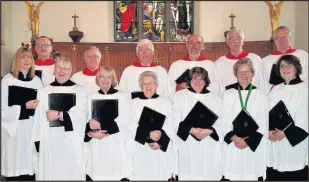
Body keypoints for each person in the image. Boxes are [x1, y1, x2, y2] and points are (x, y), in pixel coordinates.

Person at [30, 57, 87, 180]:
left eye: (66, 68)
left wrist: (58, 114)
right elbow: (39, 117)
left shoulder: (79, 90)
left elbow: (81, 115)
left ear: (70, 71)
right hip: (49, 139)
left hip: (71, 139)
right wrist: (37, 140)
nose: (62, 71)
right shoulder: (44, 91)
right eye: (59, 67)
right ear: (54, 70)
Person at [172, 67, 224, 180]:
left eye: (201, 78)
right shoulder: (179, 96)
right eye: (195, 78)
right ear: (189, 80)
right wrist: (191, 130)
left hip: (208, 143)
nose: (198, 81)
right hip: (187, 143)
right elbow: (174, 119)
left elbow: (222, 121)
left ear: (206, 81)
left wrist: (209, 131)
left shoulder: (215, 98)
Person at [221, 58, 268, 180]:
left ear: (252, 74)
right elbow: (224, 120)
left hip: (253, 145)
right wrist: (234, 138)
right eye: (240, 71)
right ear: (235, 74)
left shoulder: (260, 94)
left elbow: (264, 121)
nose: (244, 74)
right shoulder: (228, 94)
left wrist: (248, 141)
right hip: (234, 144)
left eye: (247, 71)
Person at [1, 46, 43, 180]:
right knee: (15, 166)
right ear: (16, 60)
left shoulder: (37, 81)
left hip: (31, 127)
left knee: (30, 167)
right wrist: (24, 106)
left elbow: (41, 107)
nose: (26, 60)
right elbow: (3, 110)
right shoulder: (8, 79)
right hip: (14, 129)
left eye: (29, 57)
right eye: (22, 57)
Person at [84, 66, 132, 181]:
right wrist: (90, 133)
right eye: (102, 76)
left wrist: (101, 127)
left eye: (109, 77)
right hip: (96, 144)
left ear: (113, 79)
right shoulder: (90, 97)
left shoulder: (123, 96)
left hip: (116, 142)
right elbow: (86, 120)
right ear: (98, 78)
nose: (105, 80)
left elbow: (125, 119)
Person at [126, 71, 175, 180]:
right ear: (140, 86)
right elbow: (129, 125)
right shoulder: (133, 103)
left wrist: (161, 142)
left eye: (151, 83)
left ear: (156, 85)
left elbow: (172, 125)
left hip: (159, 150)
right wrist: (148, 135)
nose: (148, 86)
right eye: (144, 84)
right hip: (140, 148)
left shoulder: (165, 102)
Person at [267, 54, 308, 181]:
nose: (285, 68)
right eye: (282, 66)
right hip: (275, 143)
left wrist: (285, 133)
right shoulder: (276, 89)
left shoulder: (305, 90)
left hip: (294, 145)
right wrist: (268, 131)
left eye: (289, 65)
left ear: (297, 68)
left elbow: (305, 118)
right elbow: (267, 113)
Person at [215, 29, 265, 96]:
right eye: (231, 38)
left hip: (252, 99)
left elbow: (262, 82)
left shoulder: (255, 59)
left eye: (238, 38)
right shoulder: (219, 63)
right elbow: (217, 87)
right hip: (229, 101)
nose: (235, 41)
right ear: (226, 42)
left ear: (243, 41)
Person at [262, 26, 308, 94]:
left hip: (301, 93)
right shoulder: (265, 61)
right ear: (274, 40)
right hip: (278, 95)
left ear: (290, 38)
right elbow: (264, 84)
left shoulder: (303, 55)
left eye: (284, 37)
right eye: (277, 38)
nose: (281, 40)